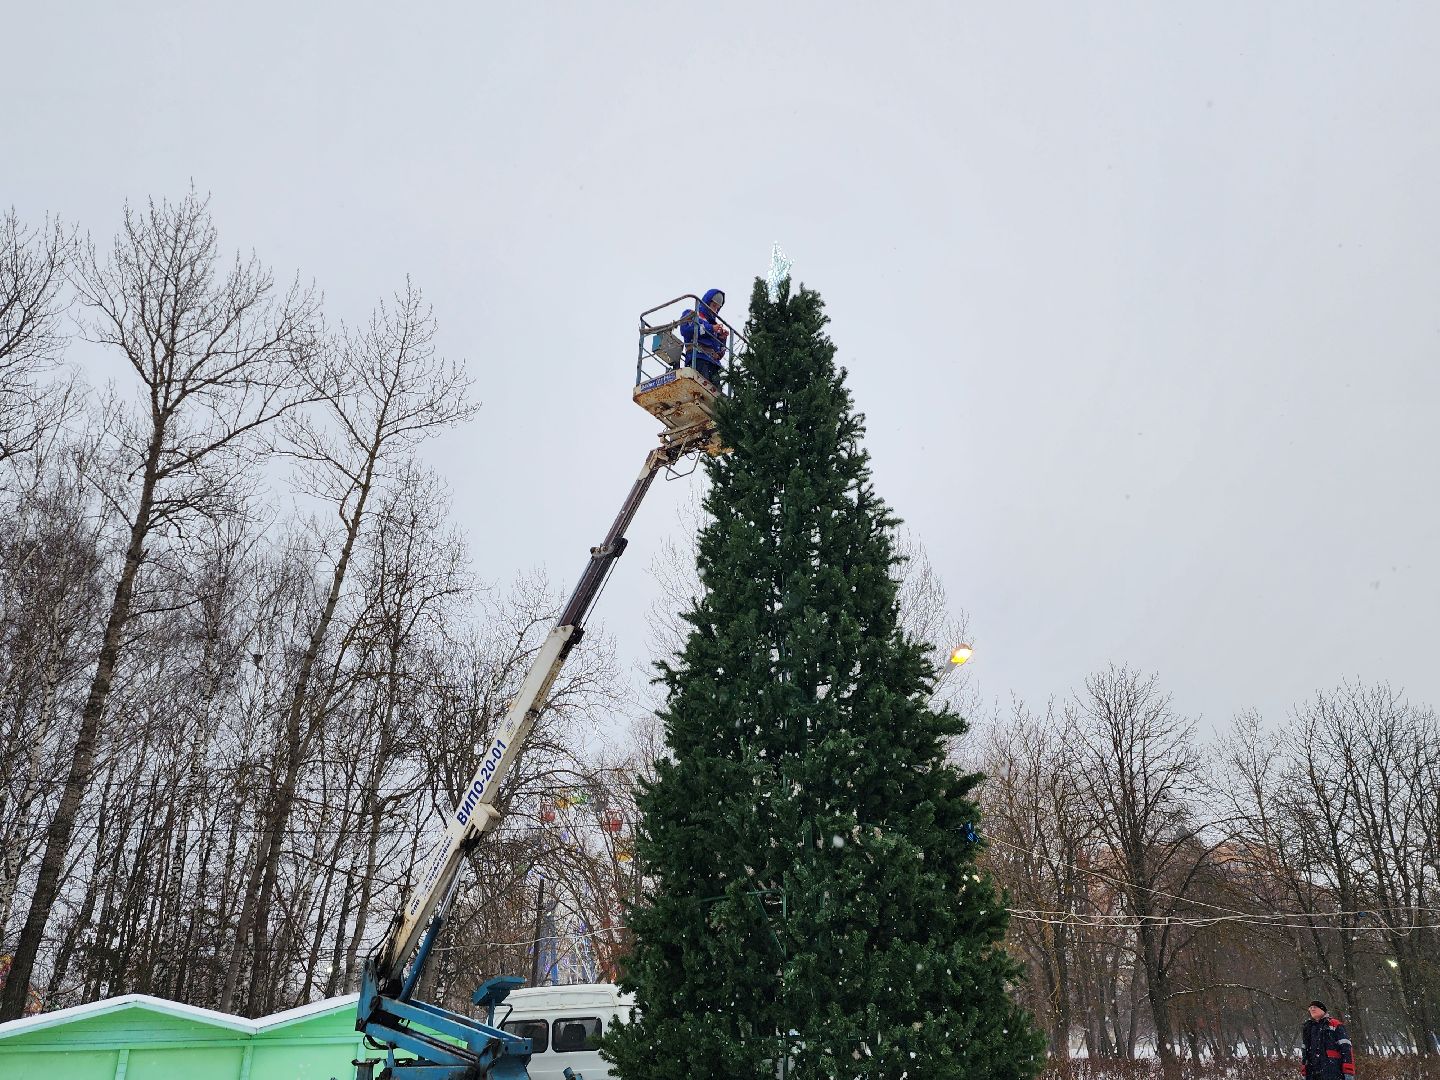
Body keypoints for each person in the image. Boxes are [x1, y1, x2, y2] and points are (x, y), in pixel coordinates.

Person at [678, 288, 729, 384]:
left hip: (713, 365)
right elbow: (685, 330)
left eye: (717, 308)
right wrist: (710, 328)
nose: (715, 310)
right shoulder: (691, 314)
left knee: (716, 397)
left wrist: (722, 339)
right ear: (707, 302)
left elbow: (719, 353)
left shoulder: (714, 326)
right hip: (698, 359)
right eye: (713, 305)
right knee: (702, 389)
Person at [1302, 1001, 1354, 1080]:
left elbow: (1346, 1048)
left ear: (1323, 1010)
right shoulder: (1308, 1027)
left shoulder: (1335, 1024)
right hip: (1312, 1073)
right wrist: (1304, 1070)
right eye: (1310, 1008)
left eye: (1315, 1007)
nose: (1312, 1009)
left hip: (1333, 1072)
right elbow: (1305, 1052)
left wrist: (1348, 1071)